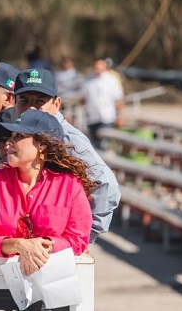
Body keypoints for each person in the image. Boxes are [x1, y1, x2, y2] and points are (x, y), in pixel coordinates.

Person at [0, 110, 95, 310]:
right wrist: (19, 246)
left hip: (54, 290)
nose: (8, 143)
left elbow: (78, 239)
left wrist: (41, 247)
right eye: (9, 137)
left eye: (18, 136)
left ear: (42, 144)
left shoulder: (70, 186)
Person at [12, 67, 120, 244]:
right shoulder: (21, 134)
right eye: (23, 101)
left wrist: (83, 236)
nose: (31, 108)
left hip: (60, 248)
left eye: (40, 102)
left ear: (56, 104)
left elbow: (107, 185)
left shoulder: (68, 139)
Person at [81, 57, 124, 147]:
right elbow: (83, 98)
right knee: (93, 145)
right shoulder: (88, 80)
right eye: (96, 66)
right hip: (92, 117)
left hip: (107, 116)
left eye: (100, 65)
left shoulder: (111, 80)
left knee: (104, 144)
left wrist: (119, 116)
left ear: (104, 67)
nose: (98, 67)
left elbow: (118, 99)